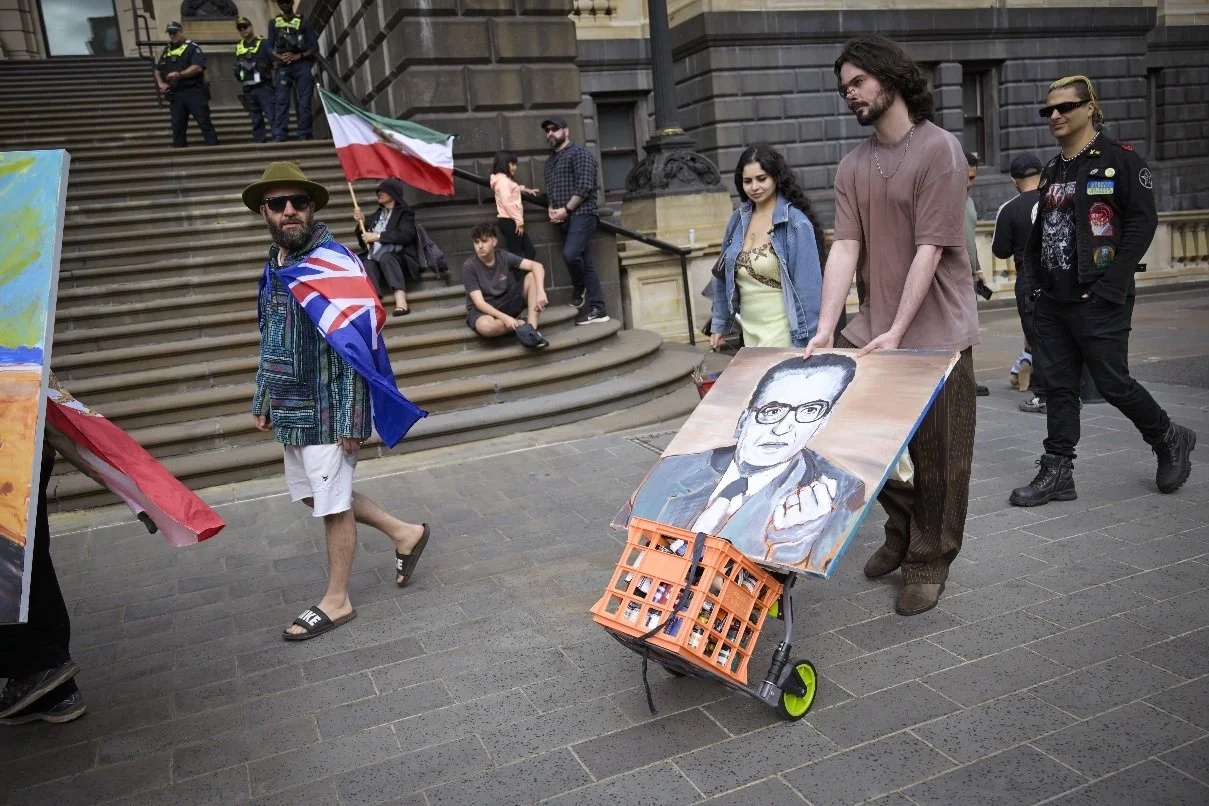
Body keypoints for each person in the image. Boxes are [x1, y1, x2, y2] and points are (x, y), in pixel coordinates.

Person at [805, 35, 979, 616]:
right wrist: (826, 328)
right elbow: (845, 247)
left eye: (858, 82)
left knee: (941, 459)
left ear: (891, 77)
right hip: (872, 330)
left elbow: (931, 247)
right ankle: (903, 526)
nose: (849, 94)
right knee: (844, 443)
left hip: (938, 332)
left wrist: (900, 329)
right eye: (844, 88)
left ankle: (929, 562)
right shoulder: (853, 165)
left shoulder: (940, 150)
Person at [245, 162, 431, 640]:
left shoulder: (335, 262)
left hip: (330, 407)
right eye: (278, 203)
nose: (289, 210)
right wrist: (264, 394)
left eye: (299, 202)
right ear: (264, 212)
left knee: (331, 505)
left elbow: (356, 345)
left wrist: (353, 417)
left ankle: (338, 600)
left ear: (312, 208)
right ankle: (405, 533)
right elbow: (271, 333)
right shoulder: (277, 262)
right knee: (315, 494)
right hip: (291, 404)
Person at [1009, 76, 1196, 506]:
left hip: (1099, 297)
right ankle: (1058, 470)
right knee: (1058, 385)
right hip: (1054, 299)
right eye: (1048, 110)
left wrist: (1110, 285)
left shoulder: (1121, 161)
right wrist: (1034, 284)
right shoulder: (1053, 168)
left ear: (1089, 107)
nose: (1055, 115)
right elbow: (1044, 231)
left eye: (1065, 107)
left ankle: (1168, 437)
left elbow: (1142, 224)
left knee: (1112, 383)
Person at [617, 355, 865, 573]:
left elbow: (808, 565)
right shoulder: (672, 469)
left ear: (823, 421)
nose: (782, 429)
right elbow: (639, 533)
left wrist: (794, 540)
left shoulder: (841, 492)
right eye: (772, 411)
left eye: (810, 410)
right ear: (744, 419)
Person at [708, 144, 825, 350]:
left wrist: (807, 343)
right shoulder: (737, 220)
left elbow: (809, 293)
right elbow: (723, 276)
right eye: (748, 181)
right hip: (749, 332)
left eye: (761, 179)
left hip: (784, 333)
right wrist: (720, 324)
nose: (754, 187)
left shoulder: (796, 223)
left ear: (776, 177)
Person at [0, 448, 84, 725]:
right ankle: (53, 688)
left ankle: (37, 663)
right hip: (21, 439)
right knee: (26, 555)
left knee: (20, 555)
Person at [541, 116, 609, 325]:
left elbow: (585, 186)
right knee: (585, 262)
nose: (550, 133)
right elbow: (552, 190)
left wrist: (566, 209)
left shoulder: (580, 154)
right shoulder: (550, 162)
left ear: (566, 131)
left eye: (554, 129)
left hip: (583, 215)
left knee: (571, 255)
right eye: (547, 130)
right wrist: (552, 208)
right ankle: (599, 309)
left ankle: (579, 287)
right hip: (563, 219)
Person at [992, 153, 1046, 412]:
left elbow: (1000, 250)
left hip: (1030, 282)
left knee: (1038, 339)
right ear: (1042, 174)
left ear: (1013, 180)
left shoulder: (1009, 208)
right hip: (1062, 278)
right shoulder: (1059, 200)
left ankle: (1044, 396)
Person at [462, 223, 550, 349]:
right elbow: (480, 303)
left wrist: (541, 292)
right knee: (486, 327)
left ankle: (531, 332)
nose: (480, 246)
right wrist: (505, 318)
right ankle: (522, 324)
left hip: (505, 302)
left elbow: (537, 266)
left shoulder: (503, 256)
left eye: (484, 241)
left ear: (494, 241)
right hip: (482, 311)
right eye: (476, 242)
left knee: (532, 277)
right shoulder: (469, 266)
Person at [354, 178, 421, 316]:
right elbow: (363, 242)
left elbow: (406, 235)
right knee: (368, 263)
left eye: (383, 191)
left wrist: (378, 236)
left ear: (393, 192)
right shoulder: (376, 215)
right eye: (378, 191)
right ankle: (376, 304)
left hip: (400, 257)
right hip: (375, 257)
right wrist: (361, 224)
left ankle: (401, 302)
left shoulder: (405, 213)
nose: (379, 193)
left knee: (387, 258)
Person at [154, 21, 218, 148]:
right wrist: (161, 83)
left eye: (175, 33)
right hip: (176, 93)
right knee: (177, 126)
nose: (172, 36)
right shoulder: (168, 49)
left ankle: (214, 149)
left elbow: (198, 67)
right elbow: (157, 69)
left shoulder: (192, 48)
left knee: (204, 122)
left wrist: (180, 74)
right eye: (170, 33)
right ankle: (179, 150)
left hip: (193, 91)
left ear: (181, 32)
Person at [268, 0, 319, 142]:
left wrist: (298, 56)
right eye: (281, 2)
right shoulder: (273, 23)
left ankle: (304, 133)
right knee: (281, 100)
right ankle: (280, 134)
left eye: (287, 1)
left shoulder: (304, 23)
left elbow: (314, 47)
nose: (284, 4)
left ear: (292, 2)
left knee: (304, 101)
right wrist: (280, 57)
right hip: (283, 65)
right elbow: (269, 47)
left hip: (301, 64)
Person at [965, 152, 991, 397]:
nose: (968, 183)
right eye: (965, 176)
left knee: (969, 332)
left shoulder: (969, 202)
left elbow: (970, 240)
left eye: (972, 177)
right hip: (952, 278)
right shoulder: (943, 200)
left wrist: (979, 269)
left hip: (969, 278)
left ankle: (967, 379)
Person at [490, 151, 539, 260]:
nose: (515, 167)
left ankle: (527, 271)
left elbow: (511, 189)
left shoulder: (502, 180)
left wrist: (525, 189)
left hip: (510, 221)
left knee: (528, 252)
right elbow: (507, 203)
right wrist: (519, 221)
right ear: (504, 164)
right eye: (512, 164)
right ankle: (520, 273)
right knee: (517, 256)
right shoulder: (503, 182)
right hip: (510, 221)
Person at [234, 17, 274, 144]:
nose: (243, 30)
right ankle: (260, 141)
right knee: (255, 119)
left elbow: (274, 61)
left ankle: (278, 139)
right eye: (240, 28)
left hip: (263, 86)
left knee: (271, 114)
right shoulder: (239, 47)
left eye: (245, 27)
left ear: (251, 27)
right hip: (248, 88)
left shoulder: (263, 43)